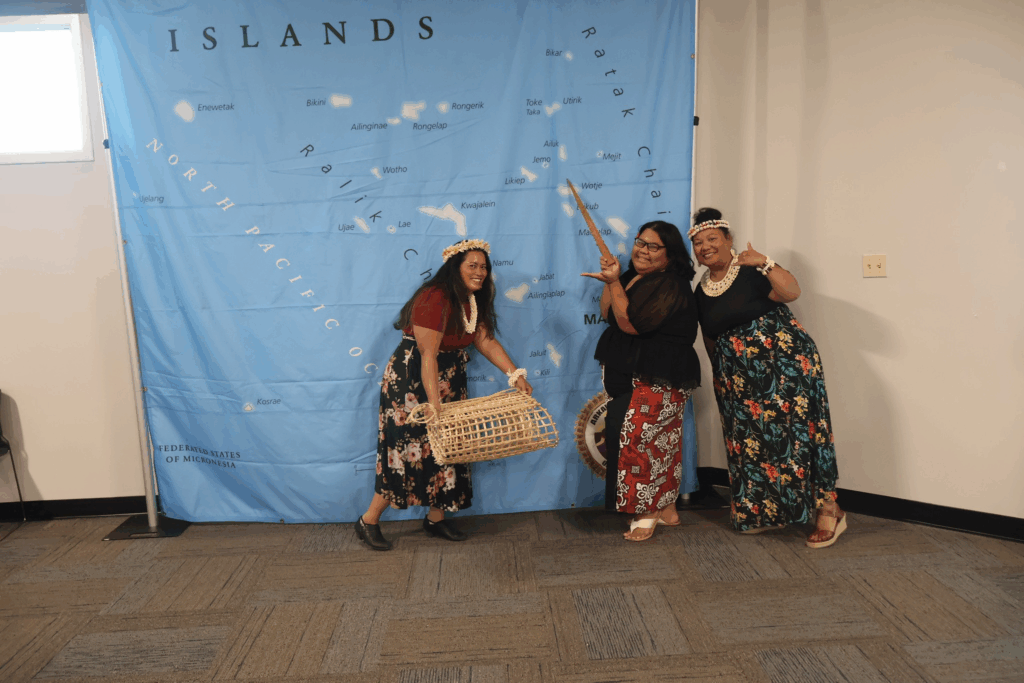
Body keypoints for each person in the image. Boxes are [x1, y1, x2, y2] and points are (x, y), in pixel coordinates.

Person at [355, 239, 532, 551]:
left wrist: (514, 374)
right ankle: (368, 520)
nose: (480, 272)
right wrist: (434, 406)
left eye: (484, 266)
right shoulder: (434, 296)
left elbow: (484, 339)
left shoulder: (472, 299)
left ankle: (436, 519)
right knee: (407, 449)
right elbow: (427, 355)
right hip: (412, 380)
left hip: (448, 376)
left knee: (448, 446)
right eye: (472, 265)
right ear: (455, 268)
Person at [689, 208, 846, 548]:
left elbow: (791, 292)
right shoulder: (700, 290)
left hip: (785, 368)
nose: (705, 247)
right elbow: (710, 336)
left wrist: (765, 262)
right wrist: (719, 377)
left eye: (712, 238)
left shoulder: (752, 270)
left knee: (801, 437)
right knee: (752, 444)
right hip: (738, 380)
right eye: (698, 243)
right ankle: (765, 512)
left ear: (728, 240)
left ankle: (829, 510)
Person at [583, 221, 701, 541]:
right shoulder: (633, 277)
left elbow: (632, 324)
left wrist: (614, 282)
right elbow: (608, 313)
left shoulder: (671, 284)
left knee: (640, 444)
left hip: (657, 376)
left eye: (653, 246)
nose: (643, 250)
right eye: (640, 242)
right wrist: (612, 280)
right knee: (659, 443)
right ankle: (667, 507)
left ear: (669, 254)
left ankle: (647, 512)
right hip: (635, 376)